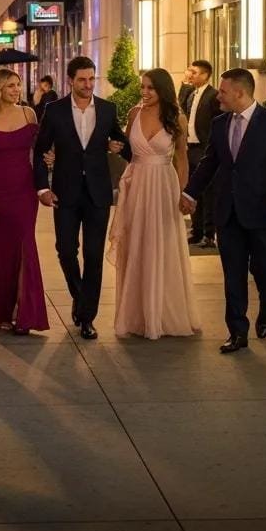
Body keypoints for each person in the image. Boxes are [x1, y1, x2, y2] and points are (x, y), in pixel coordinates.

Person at [181, 68, 266, 353]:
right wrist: (189, 192)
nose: (218, 96)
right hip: (228, 213)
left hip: (263, 213)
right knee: (233, 275)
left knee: (264, 271)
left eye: (223, 92)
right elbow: (210, 162)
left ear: (240, 93)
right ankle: (237, 332)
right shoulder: (220, 123)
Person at [33, 56, 130, 340]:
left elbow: (124, 146)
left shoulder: (108, 109)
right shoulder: (54, 111)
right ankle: (80, 296)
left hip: (98, 194)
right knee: (65, 250)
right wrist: (42, 188)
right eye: (82, 80)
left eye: (91, 79)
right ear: (70, 81)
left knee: (94, 256)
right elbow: (40, 151)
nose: (88, 85)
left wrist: (118, 146)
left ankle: (87, 317)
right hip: (65, 192)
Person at [109, 69, 201, 339]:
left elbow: (182, 160)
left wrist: (184, 194)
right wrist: (116, 148)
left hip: (163, 187)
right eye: (143, 87)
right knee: (137, 244)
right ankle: (137, 315)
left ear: (163, 89)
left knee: (163, 245)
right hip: (136, 185)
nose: (145, 92)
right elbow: (128, 151)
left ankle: (163, 314)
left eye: (150, 88)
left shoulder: (177, 118)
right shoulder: (133, 114)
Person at [0, 68, 49, 333]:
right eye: (11, 86)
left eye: (18, 85)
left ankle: (24, 314)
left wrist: (51, 159)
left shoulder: (28, 114)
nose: (17, 90)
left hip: (25, 191)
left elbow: (41, 150)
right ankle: (4, 312)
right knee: (1, 252)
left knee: (25, 245)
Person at [182, 59, 221, 248]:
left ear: (205, 75)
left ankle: (209, 234)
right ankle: (196, 231)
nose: (190, 75)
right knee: (192, 190)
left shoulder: (213, 96)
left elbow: (218, 123)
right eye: (189, 71)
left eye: (194, 72)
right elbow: (181, 110)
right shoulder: (192, 93)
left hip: (205, 148)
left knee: (208, 192)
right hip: (191, 148)